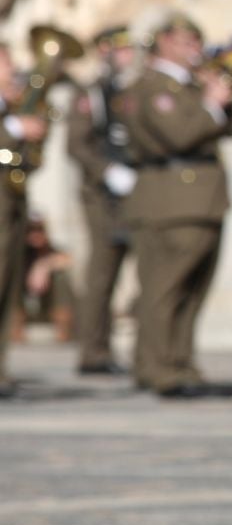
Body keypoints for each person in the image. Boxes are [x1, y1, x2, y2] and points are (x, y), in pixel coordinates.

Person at [120, 13, 232, 399]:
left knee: (191, 291)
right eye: (186, 42)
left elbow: (219, 128)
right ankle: (159, 368)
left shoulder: (186, 86)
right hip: (171, 199)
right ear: (164, 42)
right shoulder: (153, 87)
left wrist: (219, 102)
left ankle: (179, 362)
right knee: (163, 289)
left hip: (199, 199)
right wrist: (212, 105)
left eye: (196, 42)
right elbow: (179, 135)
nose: (194, 50)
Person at [67, 25, 142, 375]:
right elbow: (77, 144)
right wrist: (106, 171)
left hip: (138, 188)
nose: (128, 57)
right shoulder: (92, 93)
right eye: (121, 50)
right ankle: (93, 349)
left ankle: (143, 348)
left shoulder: (134, 89)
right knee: (103, 271)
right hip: (102, 194)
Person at [0, 45, 50, 398]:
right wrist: (14, 127)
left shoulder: (10, 105)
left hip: (11, 204)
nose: (13, 69)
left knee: (7, 287)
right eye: (5, 62)